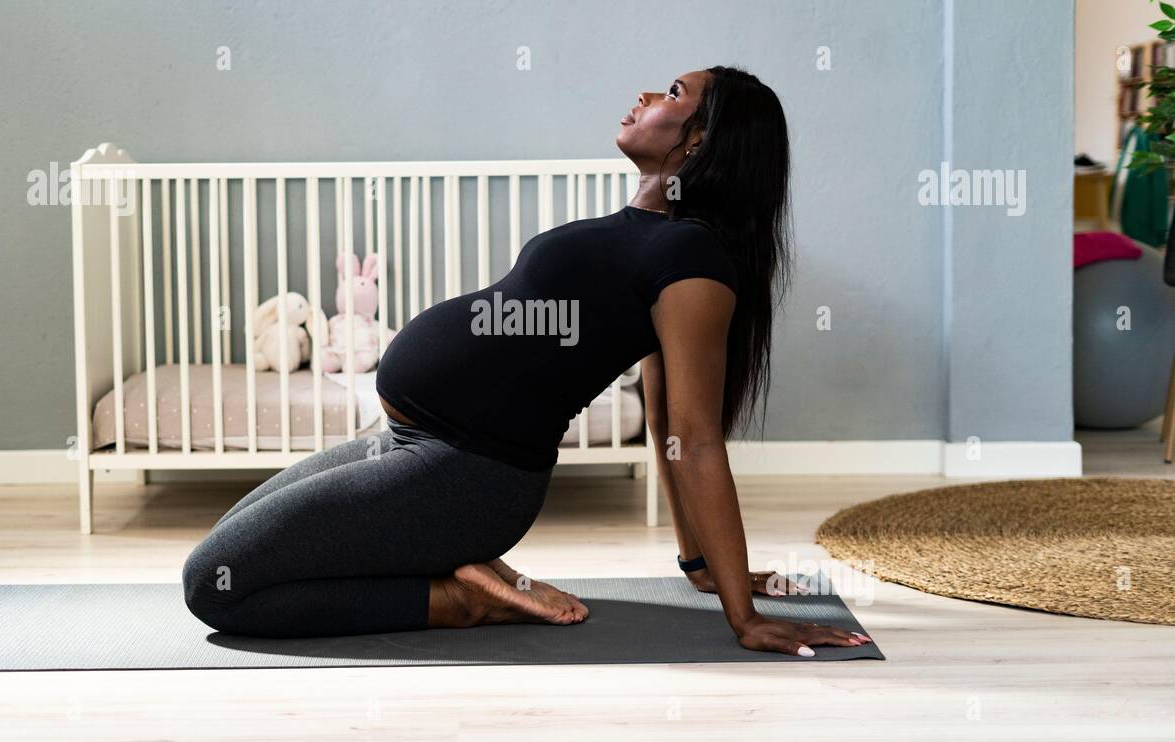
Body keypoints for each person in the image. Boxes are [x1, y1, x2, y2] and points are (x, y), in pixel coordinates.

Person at [183, 66, 872, 657]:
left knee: (216, 586)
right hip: (403, 444)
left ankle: (462, 598)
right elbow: (660, 415)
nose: (644, 94)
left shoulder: (693, 263)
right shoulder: (643, 233)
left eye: (670, 92)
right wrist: (695, 564)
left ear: (698, 140)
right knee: (227, 553)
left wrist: (741, 613)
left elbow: (689, 437)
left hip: (462, 475)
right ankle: (456, 573)